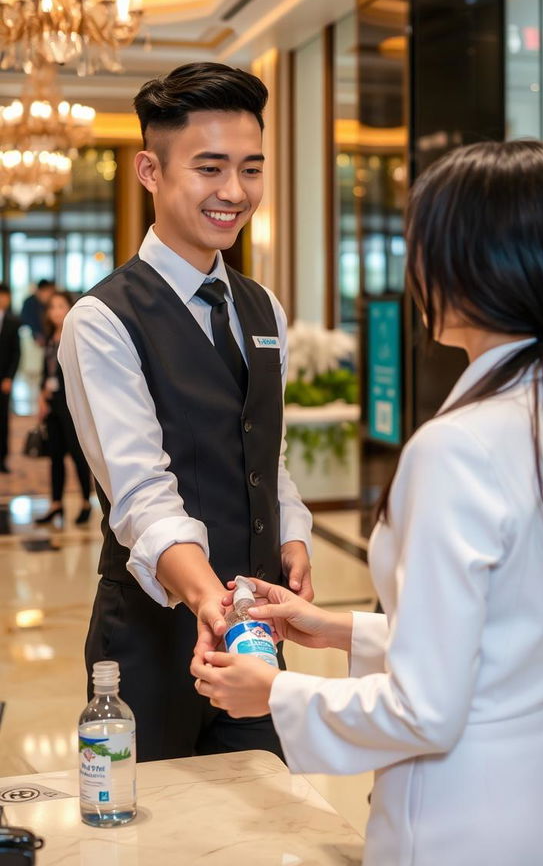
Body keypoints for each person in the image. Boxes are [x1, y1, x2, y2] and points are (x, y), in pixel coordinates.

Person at [192, 140, 543, 866]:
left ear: (470, 266)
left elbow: (426, 709)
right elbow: (497, 642)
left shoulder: (456, 448)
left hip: (467, 821)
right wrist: (333, 630)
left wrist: (275, 692)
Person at [59, 62, 313, 762]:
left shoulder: (264, 308)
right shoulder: (103, 319)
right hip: (151, 642)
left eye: (251, 169)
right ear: (150, 170)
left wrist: (291, 535)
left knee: (264, 819)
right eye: (210, 168)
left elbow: (269, 451)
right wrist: (208, 602)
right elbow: (140, 492)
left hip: (251, 636)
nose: (235, 192)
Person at [35, 291, 92, 526]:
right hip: (52, 405)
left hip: (70, 404)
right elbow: (46, 372)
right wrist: (41, 396)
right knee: (55, 456)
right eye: (52, 307)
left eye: (60, 306)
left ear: (70, 308)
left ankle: (86, 502)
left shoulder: (75, 336)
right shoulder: (50, 337)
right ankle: (56, 504)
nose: (56, 311)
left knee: (78, 456)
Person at [0, 284, 21, 474]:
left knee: (3, 420)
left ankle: (2, 458)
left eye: (5, 296)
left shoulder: (13, 322)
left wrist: (9, 377)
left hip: (3, 380)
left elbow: (16, 353)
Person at [20, 279, 54, 346]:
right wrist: (36, 334)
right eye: (46, 291)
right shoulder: (29, 302)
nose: (49, 295)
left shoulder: (50, 303)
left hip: (48, 340)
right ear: (39, 291)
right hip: (30, 339)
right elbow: (24, 321)